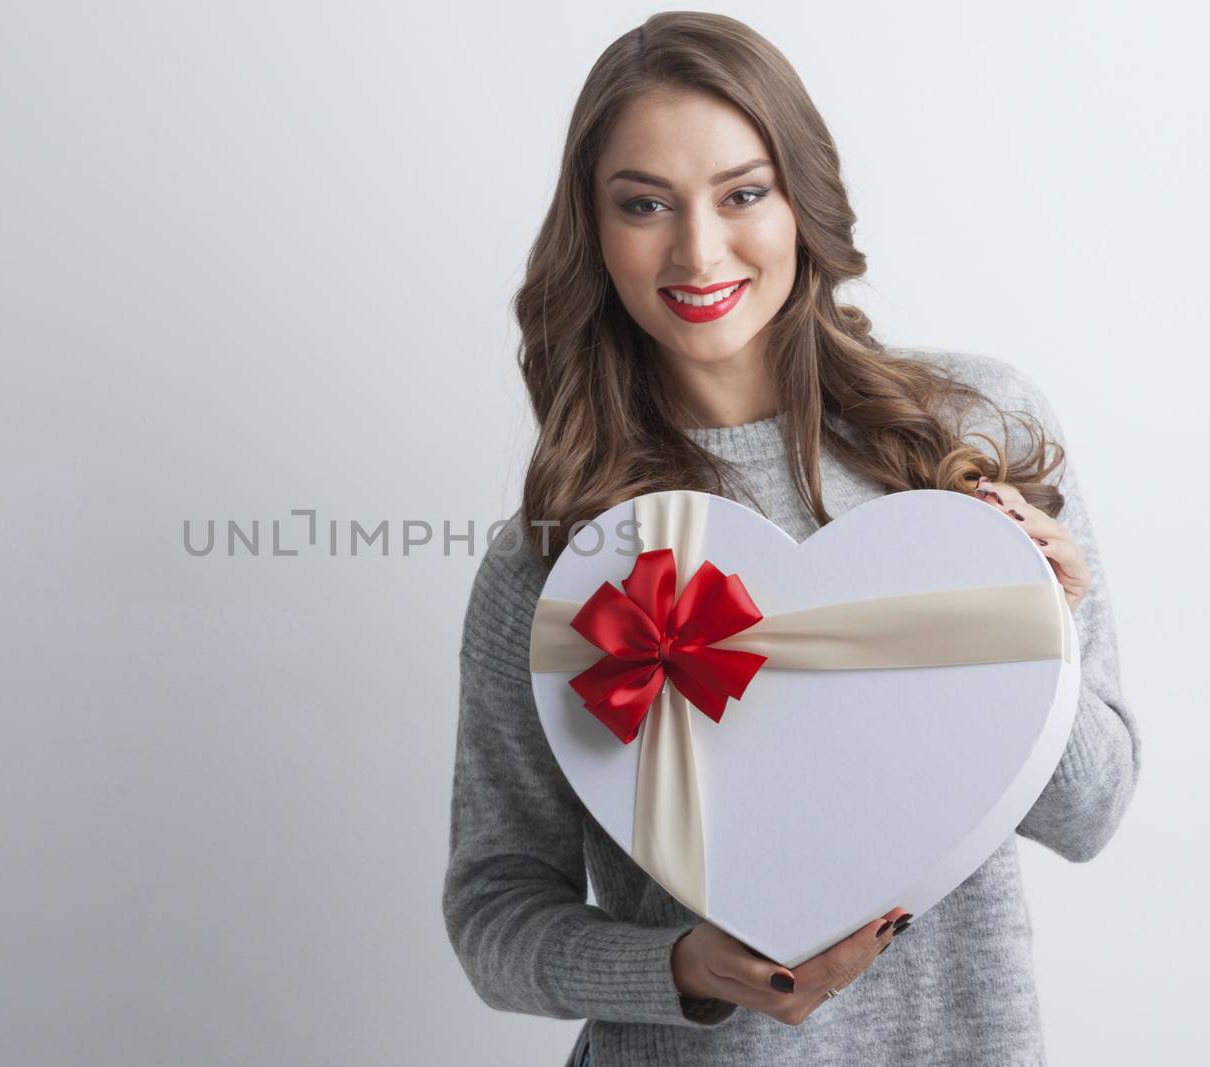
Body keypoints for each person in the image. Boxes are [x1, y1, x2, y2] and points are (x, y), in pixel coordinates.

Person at [440, 11, 1141, 1067]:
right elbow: (494, 912)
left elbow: (1089, 816)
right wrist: (676, 966)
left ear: (800, 196)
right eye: (643, 204)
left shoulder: (971, 432)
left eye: (741, 192)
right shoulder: (561, 555)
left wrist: (1048, 625)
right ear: (593, 230)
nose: (697, 249)